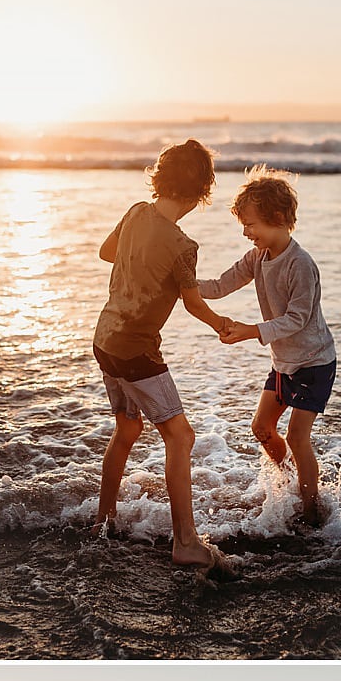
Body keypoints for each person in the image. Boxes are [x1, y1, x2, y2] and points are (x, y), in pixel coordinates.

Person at [93, 137, 242, 569]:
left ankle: (105, 520)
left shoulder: (136, 212)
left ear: (159, 180)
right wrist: (223, 326)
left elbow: (107, 252)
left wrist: (137, 266)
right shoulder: (183, 248)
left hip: (105, 340)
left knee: (126, 430)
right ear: (200, 194)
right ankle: (186, 541)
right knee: (181, 436)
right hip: (137, 351)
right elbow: (194, 304)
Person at [198, 166, 336, 526]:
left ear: (277, 219)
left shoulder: (300, 264)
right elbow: (219, 285)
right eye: (243, 225)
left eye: (251, 225)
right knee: (261, 428)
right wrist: (182, 283)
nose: (246, 232)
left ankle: (311, 509)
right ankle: (291, 480)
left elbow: (298, 319)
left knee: (296, 435)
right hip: (283, 362)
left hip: (313, 362)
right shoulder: (257, 258)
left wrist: (250, 330)